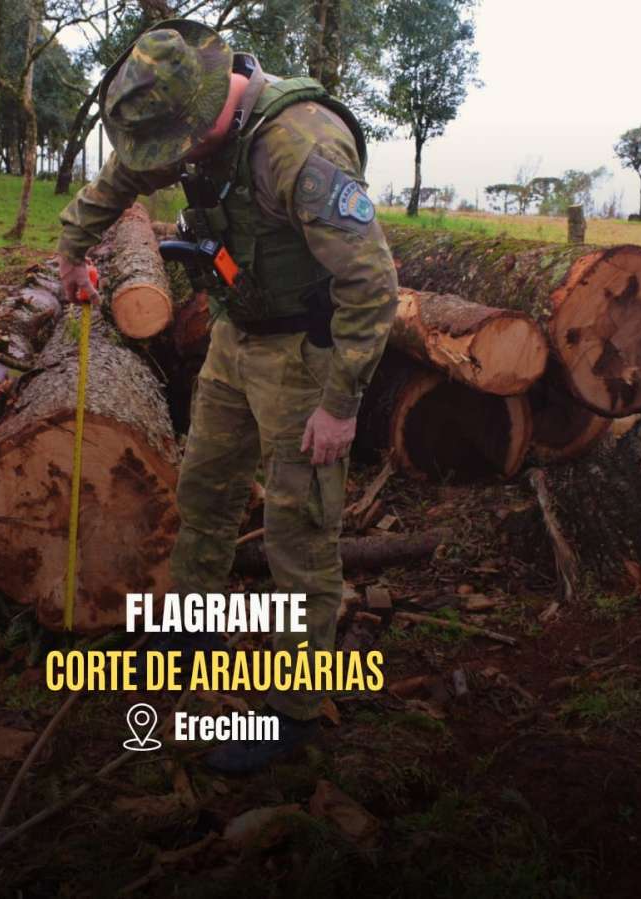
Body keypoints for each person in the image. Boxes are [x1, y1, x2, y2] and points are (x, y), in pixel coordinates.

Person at [57, 19, 398, 774]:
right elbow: (115, 184)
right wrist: (72, 250)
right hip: (234, 335)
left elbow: (372, 286)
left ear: (203, 113)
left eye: (169, 151)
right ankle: (190, 631)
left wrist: (340, 404)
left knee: (298, 531)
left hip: (306, 356)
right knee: (204, 488)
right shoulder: (192, 128)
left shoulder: (300, 149)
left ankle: (295, 709)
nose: (163, 165)